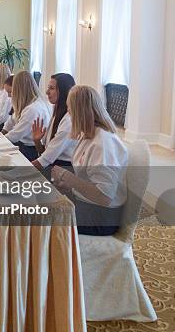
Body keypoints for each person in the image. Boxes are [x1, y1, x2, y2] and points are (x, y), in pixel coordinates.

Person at [51, 85, 128, 236]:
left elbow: (104, 197)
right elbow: (88, 179)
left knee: (42, 217)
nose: (68, 113)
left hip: (101, 217)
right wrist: (67, 184)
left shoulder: (102, 143)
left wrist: (69, 178)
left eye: (70, 108)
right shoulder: (88, 135)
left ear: (80, 111)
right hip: (88, 206)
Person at [31, 73, 77, 174]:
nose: (47, 92)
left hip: (63, 173)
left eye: (51, 88)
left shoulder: (69, 121)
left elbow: (44, 160)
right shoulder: (57, 112)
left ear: (64, 91)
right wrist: (37, 140)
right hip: (52, 167)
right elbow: (44, 154)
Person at [2, 70, 51, 161]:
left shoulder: (33, 109)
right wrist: (2, 133)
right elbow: (11, 120)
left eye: (11, 92)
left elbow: (15, 135)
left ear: (19, 90)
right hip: (23, 145)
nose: (9, 96)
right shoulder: (27, 103)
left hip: (30, 151)